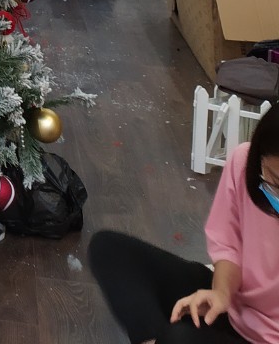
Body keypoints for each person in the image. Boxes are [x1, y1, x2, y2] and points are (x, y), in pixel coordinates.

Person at [89, 101, 279, 342]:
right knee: (109, 248)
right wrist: (221, 293)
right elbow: (228, 245)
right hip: (233, 307)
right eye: (275, 180)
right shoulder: (244, 161)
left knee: (178, 338)